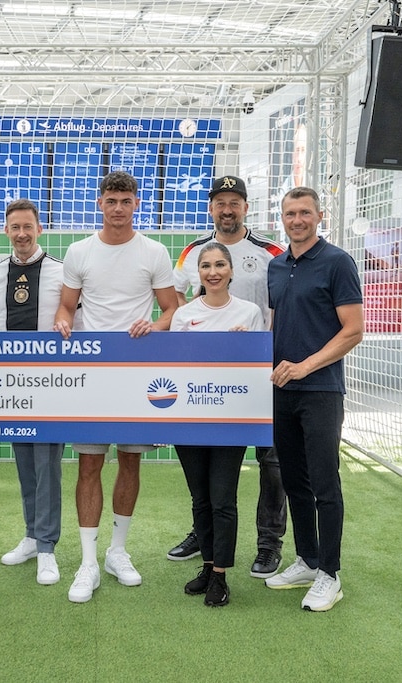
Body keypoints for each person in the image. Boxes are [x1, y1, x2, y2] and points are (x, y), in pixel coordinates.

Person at [53, 170, 178, 603]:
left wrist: (155, 325)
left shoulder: (155, 251)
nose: (119, 207)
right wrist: (64, 323)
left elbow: (170, 311)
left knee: (130, 462)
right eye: (112, 200)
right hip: (91, 374)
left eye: (126, 200)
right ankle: (87, 561)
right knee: (88, 465)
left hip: (137, 373)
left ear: (137, 203)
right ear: (100, 203)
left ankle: (117, 552)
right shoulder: (79, 251)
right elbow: (66, 307)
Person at [167, 175, 288, 581]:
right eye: (220, 202)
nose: (227, 209)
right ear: (212, 208)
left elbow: (280, 308)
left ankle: (269, 542)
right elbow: (175, 297)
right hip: (207, 386)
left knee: (271, 461)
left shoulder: (270, 252)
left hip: (261, 375)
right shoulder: (192, 252)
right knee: (207, 473)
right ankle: (206, 539)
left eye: (234, 202)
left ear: (245, 207)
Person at [265, 186, 363, 612]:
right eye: (290, 213)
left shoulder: (338, 262)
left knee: (325, 483)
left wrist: (306, 365)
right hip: (281, 392)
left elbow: (353, 330)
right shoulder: (275, 265)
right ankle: (307, 558)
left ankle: (330, 573)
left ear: (319, 216)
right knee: (294, 482)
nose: (297, 219)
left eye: (305, 212)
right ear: (282, 219)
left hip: (321, 390)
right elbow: (276, 323)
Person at [171, 242, 265, 607]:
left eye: (220, 265)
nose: (213, 272)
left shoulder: (250, 312)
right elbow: (175, 371)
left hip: (231, 421)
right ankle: (208, 566)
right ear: (199, 273)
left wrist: (244, 349)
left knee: (223, 499)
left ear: (230, 270)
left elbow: (257, 368)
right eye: (206, 265)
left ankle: (222, 576)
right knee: (201, 500)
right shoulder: (184, 316)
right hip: (191, 422)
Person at [0, 198, 69, 586]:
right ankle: (33, 536)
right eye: (14, 227)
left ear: (39, 229)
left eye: (27, 227)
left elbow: (73, 325)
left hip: (50, 386)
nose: (21, 234)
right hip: (11, 387)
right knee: (23, 464)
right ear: (6, 230)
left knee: (47, 465)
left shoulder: (61, 273)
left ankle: (48, 547)